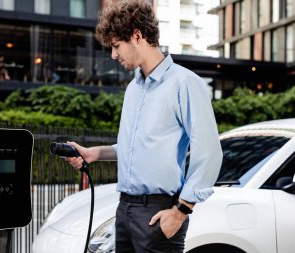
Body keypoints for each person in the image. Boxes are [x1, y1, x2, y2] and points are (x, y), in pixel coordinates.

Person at [66, 0, 223, 252]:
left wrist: (181, 211)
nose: (113, 55)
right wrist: (93, 153)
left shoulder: (185, 83)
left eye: (117, 46)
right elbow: (135, 147)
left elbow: (209, 154)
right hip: (125, 209)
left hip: (158, 211)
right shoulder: (133, 89)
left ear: (137, 36)